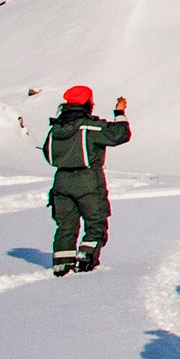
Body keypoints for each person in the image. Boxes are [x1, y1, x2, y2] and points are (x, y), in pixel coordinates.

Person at [39, 86, 129, 276]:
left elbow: (48, 153)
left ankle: (62, 265)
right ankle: (86, 261)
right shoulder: (89, 126)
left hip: (61, 181)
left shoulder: (55, 129)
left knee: (65, 225)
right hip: (88, 179)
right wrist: (120, 112)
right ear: (87, 103)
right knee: (96, 222)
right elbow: (120, 134)